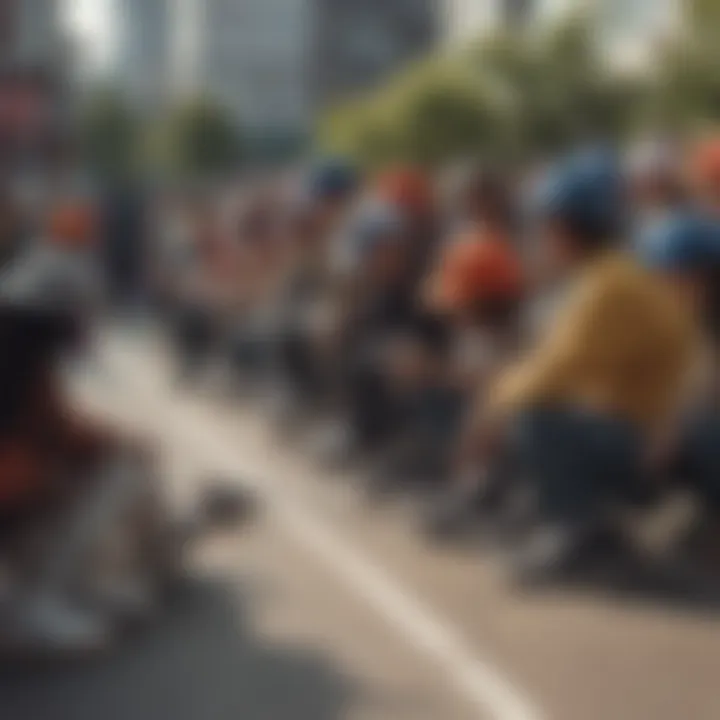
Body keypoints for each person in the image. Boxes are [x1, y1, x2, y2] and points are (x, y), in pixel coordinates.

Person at [478, 150, 699, 582]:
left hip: (658, 444)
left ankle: (582, 534)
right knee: (536, 402)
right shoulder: (608, 275)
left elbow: (556, 370)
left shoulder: (609, 286)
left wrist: (492, 407)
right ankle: (569, 521)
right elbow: (557, 360)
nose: (539, 237)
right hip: (646, 428)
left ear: (564, 228)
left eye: (544, 226)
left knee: (537, 415)